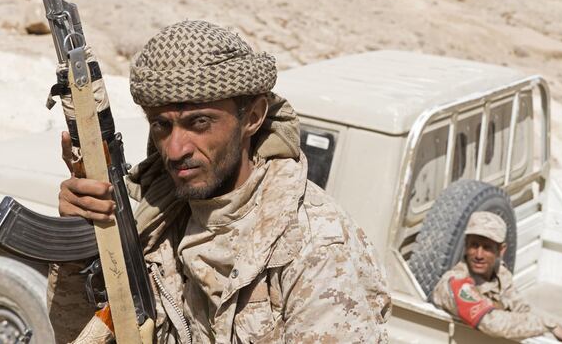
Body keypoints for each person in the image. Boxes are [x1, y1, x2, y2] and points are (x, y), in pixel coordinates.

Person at [49, 20, 391, 343]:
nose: (175, 149)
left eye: (199, 123)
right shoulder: (154, 219)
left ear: (253, 118)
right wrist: (80, 242)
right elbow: (75, 333)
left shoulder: (313, 246)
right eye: (161, 126)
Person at [432, 212, 562, 343]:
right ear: (466, 246)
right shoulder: (456, 282)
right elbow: (493, 323)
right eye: (474, 245)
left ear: (501, 250)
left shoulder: (500, 274)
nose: (479, 255)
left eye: (487, 247)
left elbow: (522, 309)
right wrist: (548, 324)